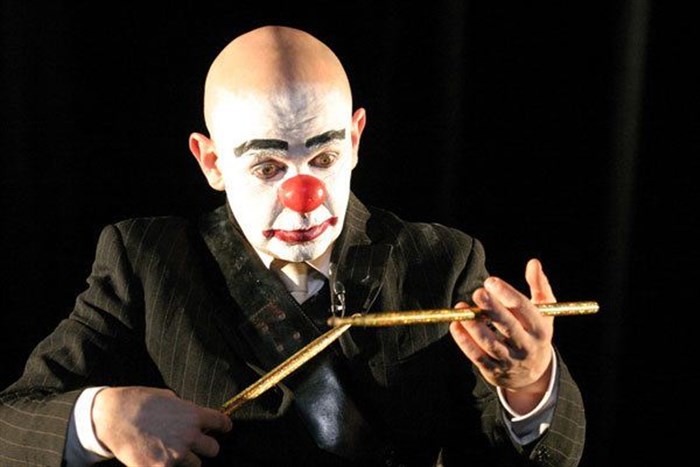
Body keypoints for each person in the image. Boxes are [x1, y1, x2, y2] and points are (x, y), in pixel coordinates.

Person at [0, 25, 586, 466]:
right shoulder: (146, 264)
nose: (305, 198)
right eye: (267, 166)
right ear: (212, 162)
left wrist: (530, 385)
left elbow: (538, 457)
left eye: (325, 157)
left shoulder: (440, 262)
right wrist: (102, 417)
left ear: (355, 140)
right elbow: (13, 422)